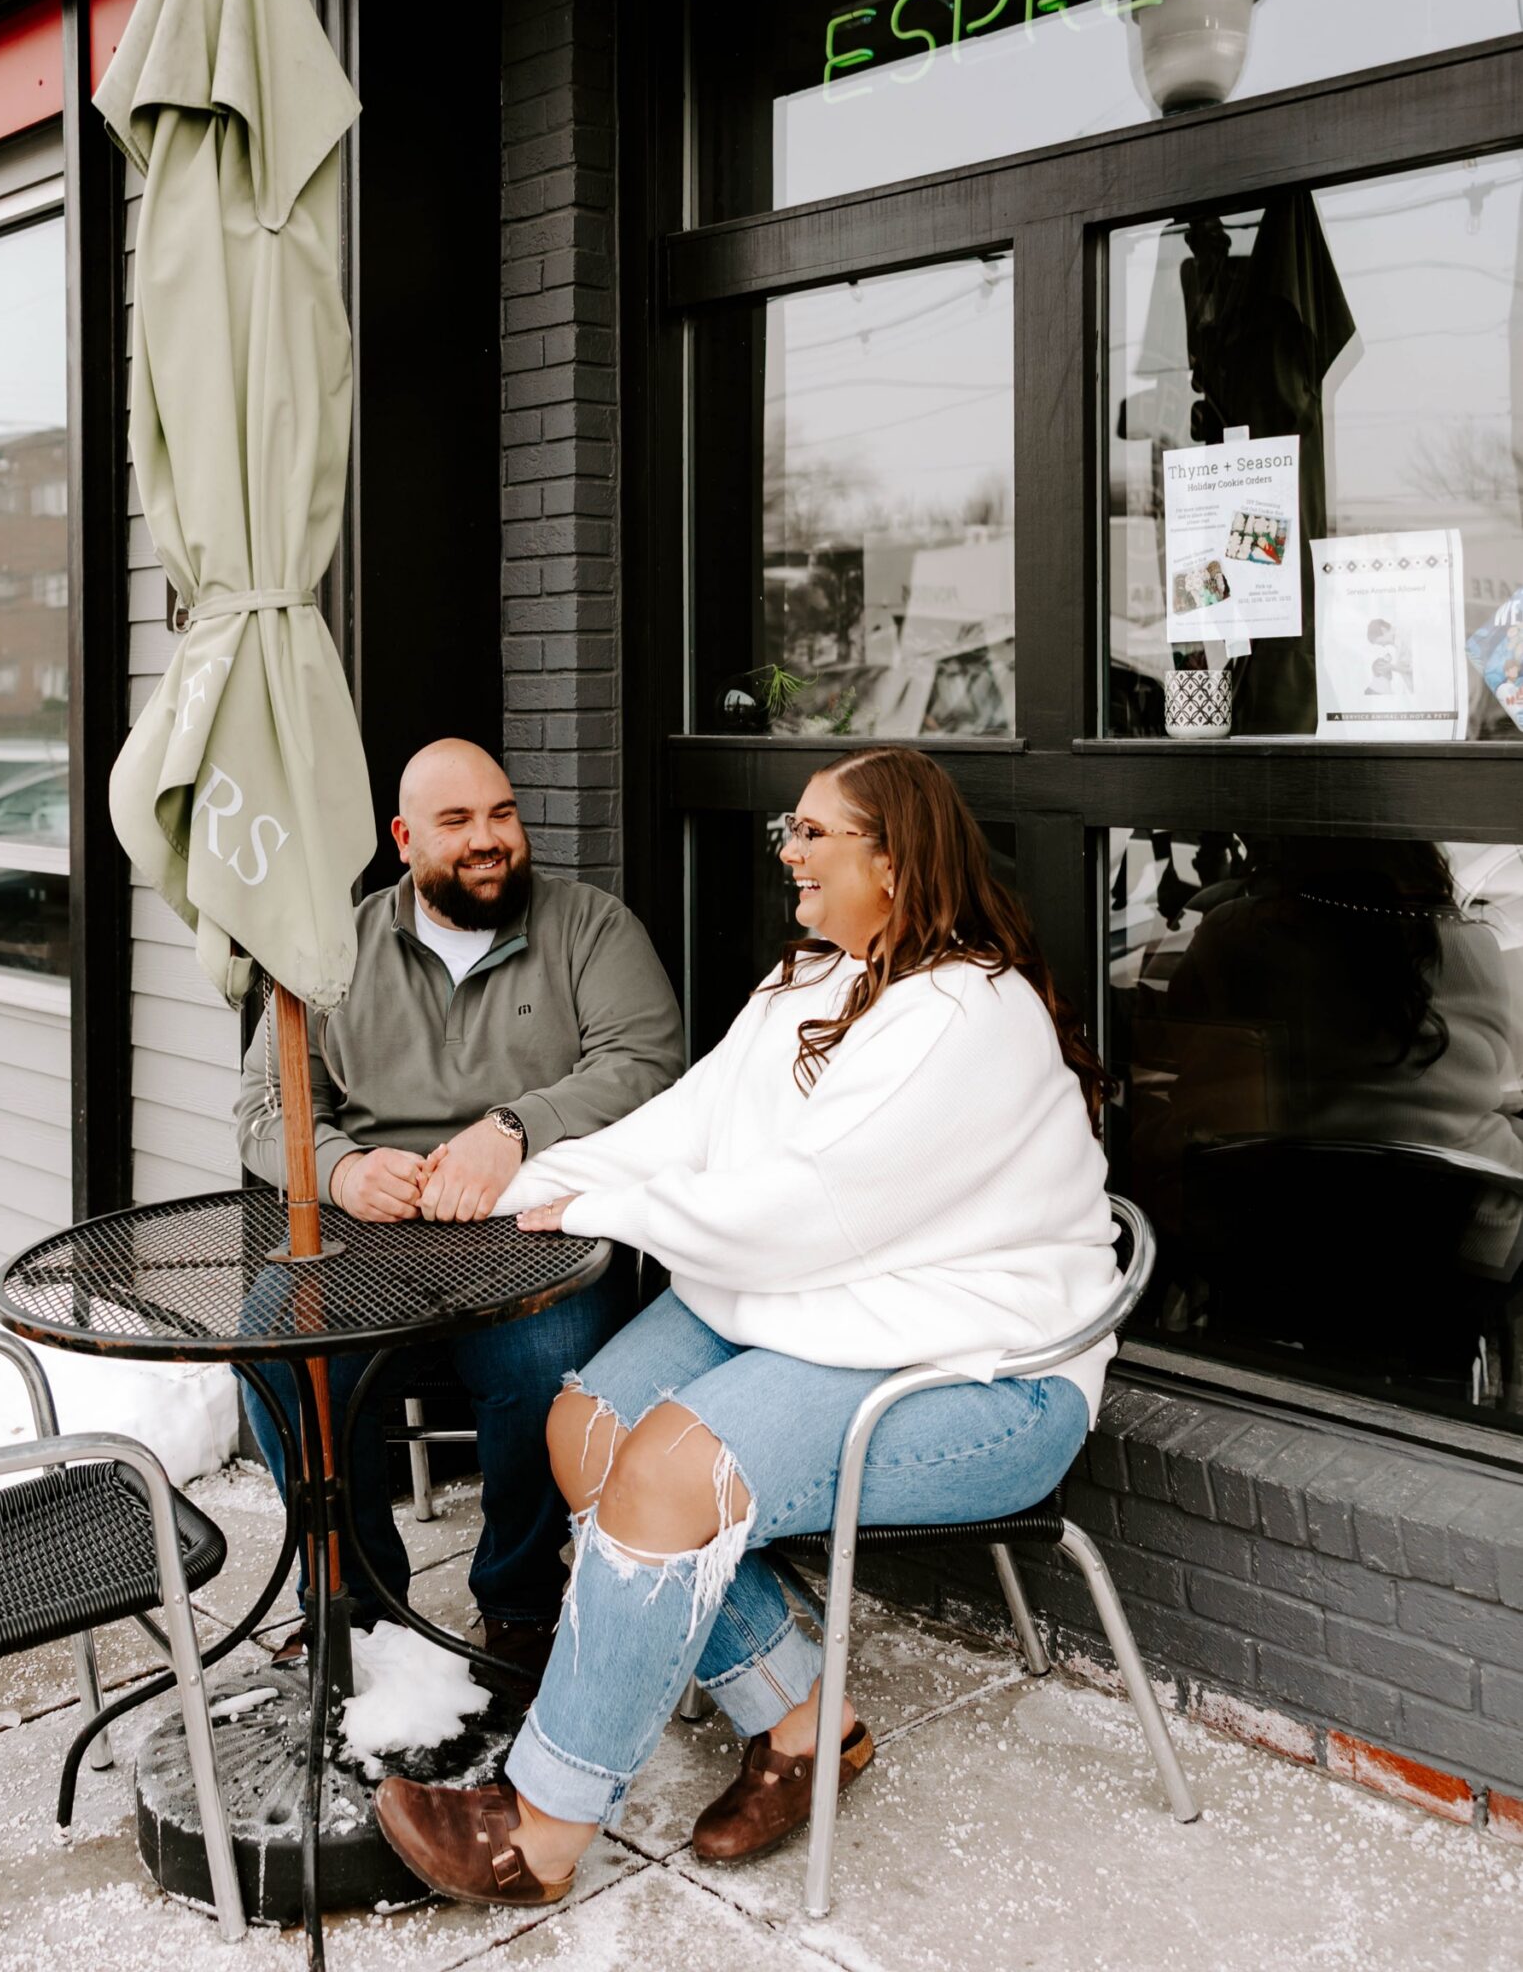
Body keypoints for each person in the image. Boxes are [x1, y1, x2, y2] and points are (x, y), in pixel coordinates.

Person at [371, 746, 1120, 1902]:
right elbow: (686, 1126)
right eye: (793, 826)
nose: (789, 849)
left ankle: (544, 1824)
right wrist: (519, 1177)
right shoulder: (808, 982)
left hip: (981, 1370)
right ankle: (807, 1723)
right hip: (821, 1307)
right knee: (591, 1430)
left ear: (897, 857)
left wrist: (601, 1208)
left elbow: (803, 1210)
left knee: (669, 1479)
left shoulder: (971, 1012)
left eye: (817, 832)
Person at [234, 738, 684, 1674]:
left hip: (538, 1230)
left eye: (502, 814)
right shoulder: (333, 946)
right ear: (403, 839)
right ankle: (355, 1599)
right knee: (276, 1348)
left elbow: (646, 1067)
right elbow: (268, 1104)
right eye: (457, 822)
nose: (489, 840)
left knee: (543, 1357)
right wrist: (338, 1167)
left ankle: (518, 1597)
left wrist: (518, 1127)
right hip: (370, 1232)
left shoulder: (592, 928)